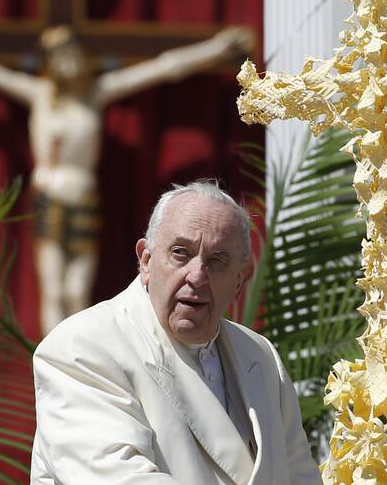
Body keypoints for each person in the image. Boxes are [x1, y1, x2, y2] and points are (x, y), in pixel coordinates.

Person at [0, 23, 252, 336]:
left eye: (74, 56)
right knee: (54, 289)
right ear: (50, 64)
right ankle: (50, 366)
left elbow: (163, 67)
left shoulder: (96, 94)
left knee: (77, 291)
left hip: (82, 198)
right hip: (50, 198)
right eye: (60, 58)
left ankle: (76, 362)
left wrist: (215, 49)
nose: (69, 64)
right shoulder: (40, 95)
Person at [30, 180, 321, 484]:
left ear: (239, 281)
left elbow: (300, 475)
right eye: (181, 253)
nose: (196, 276)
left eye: (217, 260)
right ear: (146, 260)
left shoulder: (260, 356)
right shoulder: (83, 347)